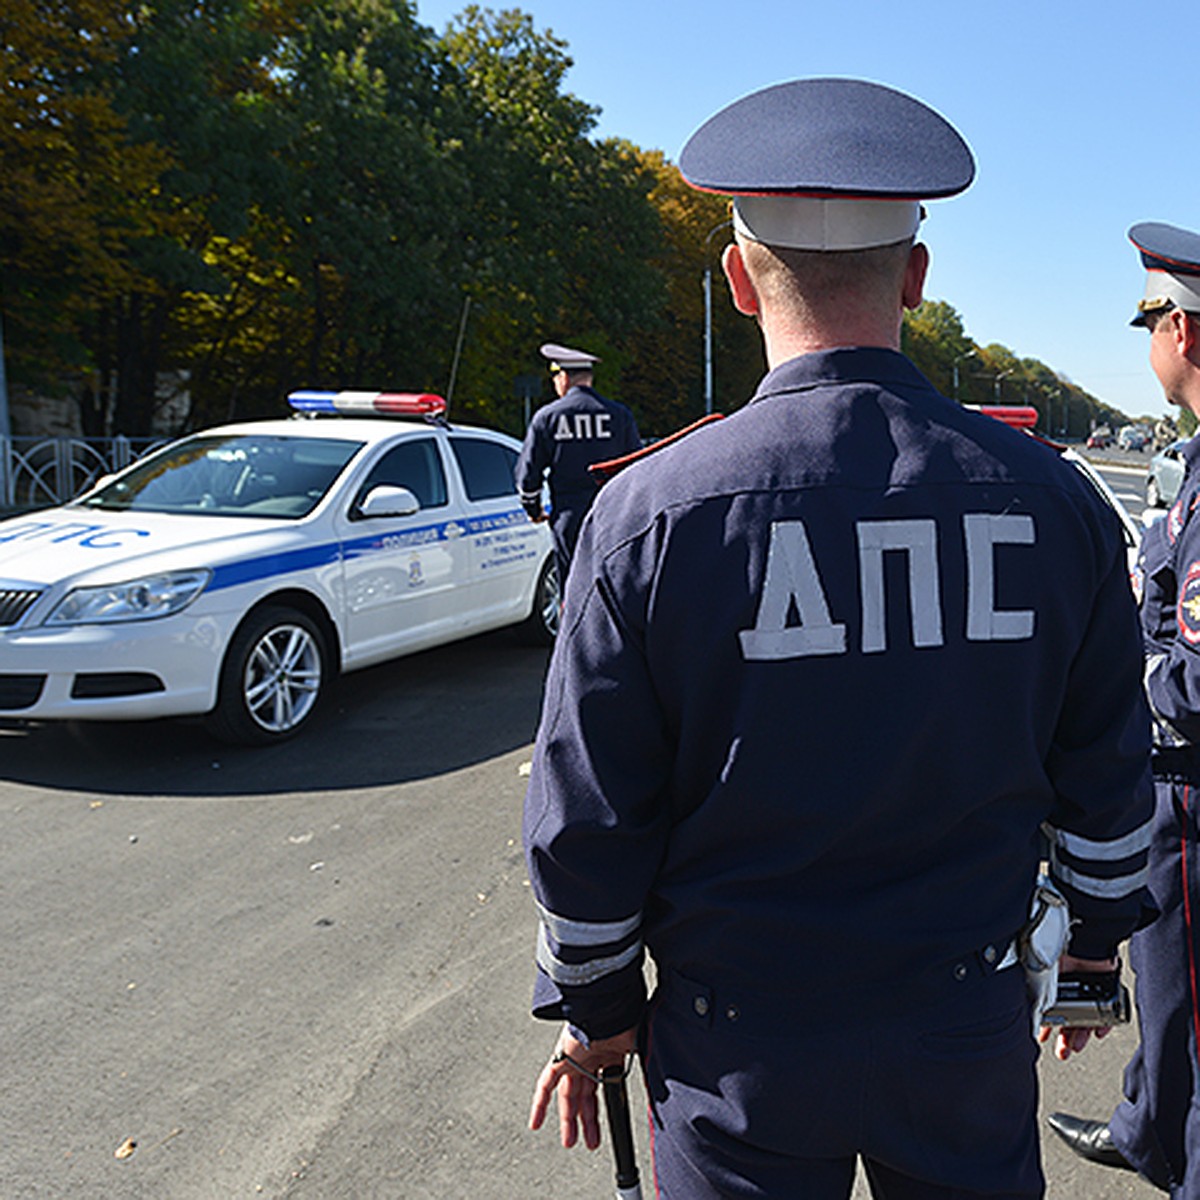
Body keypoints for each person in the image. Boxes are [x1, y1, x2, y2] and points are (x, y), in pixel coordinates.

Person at [524, 78, 1154, 1199]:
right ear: (915, 276)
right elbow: (1106, 772)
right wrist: (1097, 953)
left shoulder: (649, 515)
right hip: (963, 1020)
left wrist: (598, 1011)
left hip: (737, 1047)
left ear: (736, 282)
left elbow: (590, 814)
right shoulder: (1053, 502)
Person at [1049, 222, 1200, 1195]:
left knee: (1189, 1005)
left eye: (1151, 321)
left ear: (1182, 331)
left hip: (1190, 804)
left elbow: (1190, 680)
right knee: (1168, 1002)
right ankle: (1152, 1130)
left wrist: (1118, 677)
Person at [514, 342, 641, 587]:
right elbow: (636, 466)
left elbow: (529, 474)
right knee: (613, 583)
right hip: (612, 514)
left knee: (573, 587)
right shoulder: (618, 415)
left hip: (569, 517)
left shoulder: (548, 417)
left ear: (563, 377)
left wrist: (533, 509)